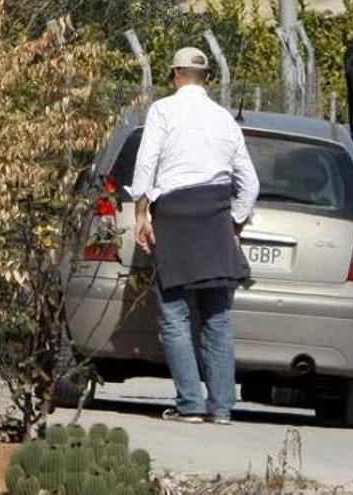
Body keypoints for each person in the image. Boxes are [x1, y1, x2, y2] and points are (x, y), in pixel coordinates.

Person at [129, 47, 260, 425]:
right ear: (206, 78)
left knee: (174, 314)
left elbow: (147, 162)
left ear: (174, 74)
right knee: (217, 317)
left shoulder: (164, 110)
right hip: (216, 214)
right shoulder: (224, 120)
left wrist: (142, 213)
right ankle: (220, 408)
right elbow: (249, 184)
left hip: (174, 215)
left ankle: (190, 403)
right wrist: (233, 224)